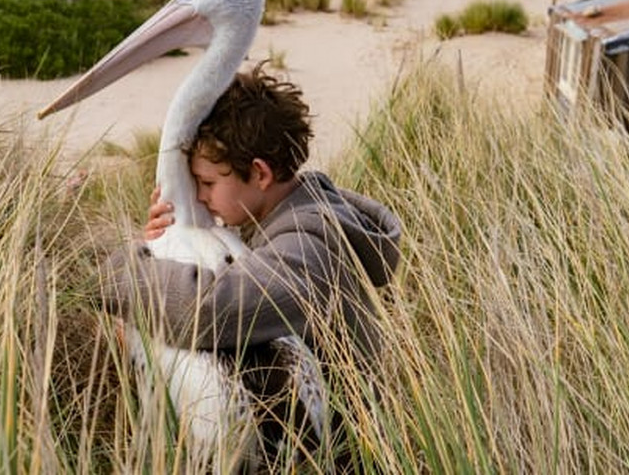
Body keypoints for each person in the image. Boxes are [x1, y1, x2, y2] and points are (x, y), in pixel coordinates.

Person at [99, 63, 402, 464]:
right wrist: (167, 240)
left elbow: (207, 311)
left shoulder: (307, 247)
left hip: (345, 453)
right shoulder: (293, 213)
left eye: (207, 184)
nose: (201, 197)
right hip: (311, 433)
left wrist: (126, 267)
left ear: (259, 173)